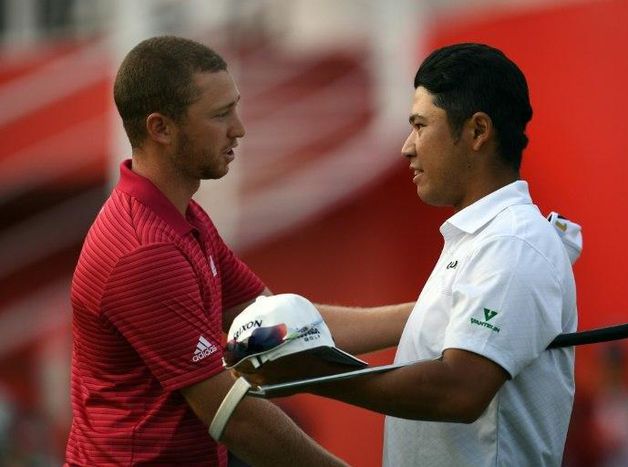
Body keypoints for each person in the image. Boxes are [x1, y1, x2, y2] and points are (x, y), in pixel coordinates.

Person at [65, 35, 412, 466]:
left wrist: (426, 313)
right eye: (220, 114)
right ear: (161, 129)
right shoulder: (144, 251)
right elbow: (234, 416)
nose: (239, 128)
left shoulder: (184, 216)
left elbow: (284, 327)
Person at [241, 42, 579, 466]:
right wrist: (281, 334)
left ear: (477, 132)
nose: (407, 146)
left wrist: (314, 373)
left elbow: (459, 392)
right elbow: (423, 332)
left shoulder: (513, 242)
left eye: (420, 125)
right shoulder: (479, 238)